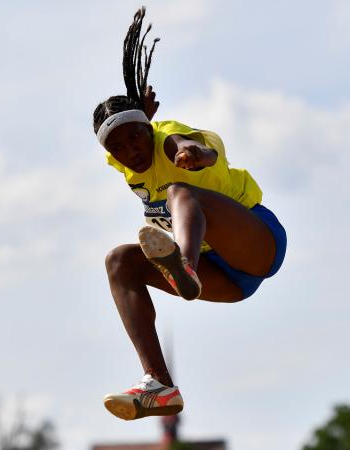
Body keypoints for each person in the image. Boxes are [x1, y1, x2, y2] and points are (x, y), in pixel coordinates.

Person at [93, 7, 287, 421]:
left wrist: (193, 153)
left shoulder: (168, 140)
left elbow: (201, 146)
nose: (133, 153)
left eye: (137, 140)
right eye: (120, 148)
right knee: (119, 261)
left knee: (182, 191)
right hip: (223, 279)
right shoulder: (125, 158)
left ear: (150, 129)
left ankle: (182, 263)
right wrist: (137, 116)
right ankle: (159, 385)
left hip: (256, 243)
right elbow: (124, 134)